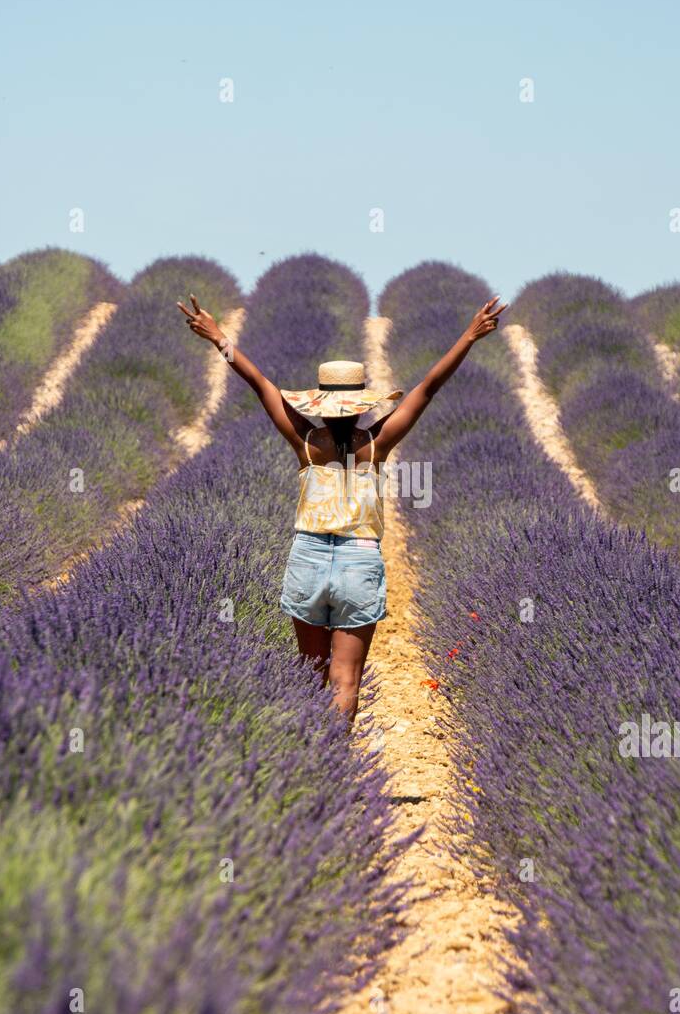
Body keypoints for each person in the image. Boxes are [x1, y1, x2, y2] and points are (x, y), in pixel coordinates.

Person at [178, 293, 506, 722]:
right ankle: (338, 765)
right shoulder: (376, 444)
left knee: (310, 674)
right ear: (359, 405)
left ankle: (312, 766)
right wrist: (469, 335)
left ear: (320, 401)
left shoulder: (307, 443)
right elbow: (428, 388)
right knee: (346, 679)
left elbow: (259, 383)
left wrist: (217, 336)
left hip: (308, 557)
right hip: (358, 560)